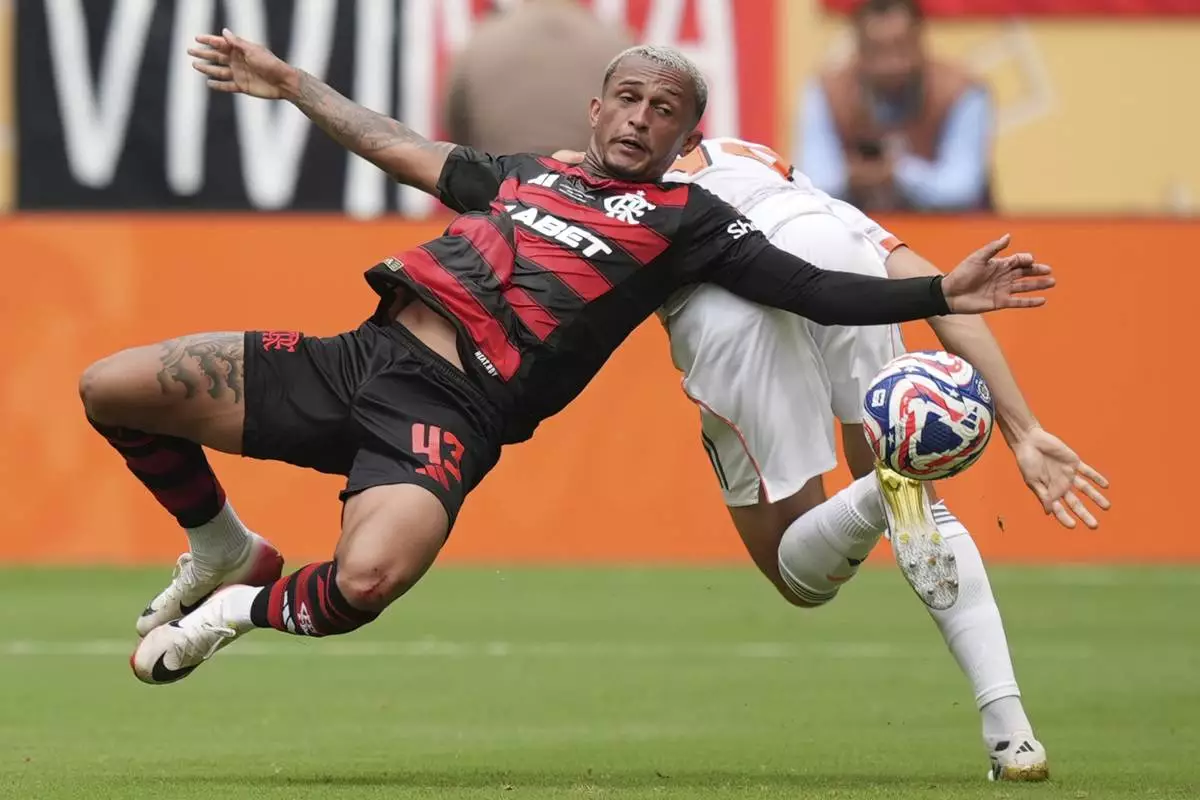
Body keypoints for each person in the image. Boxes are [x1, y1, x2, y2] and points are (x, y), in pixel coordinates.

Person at [84, 34, 1052, 693]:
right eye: (628, 99)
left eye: (664, 109)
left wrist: (937, 294)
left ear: (685, 136)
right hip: (359, 356)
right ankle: (221, 546)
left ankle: (239, 607)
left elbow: (813, 288)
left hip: (451, 414)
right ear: (597, 109)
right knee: (112, 388)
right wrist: (294, 85)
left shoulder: (691, 222)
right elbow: (403, 148)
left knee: (366, 582)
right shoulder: (527, 174)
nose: (640, 118)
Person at [552, 137, 1109, 781]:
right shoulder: (777, 173)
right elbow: (943, 295)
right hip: (829, 247)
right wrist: (1026, 430)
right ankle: (1012, 733)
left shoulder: (602, 185)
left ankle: (885, 488)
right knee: (914, 498)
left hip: (721, 300)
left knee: (800, 578)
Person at [797, 0, 994, 213]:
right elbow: (812, 185)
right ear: (858, 47)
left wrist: (899, 174)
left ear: (920, 40)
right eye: (876, 51)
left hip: (951, 234)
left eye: (901, 48)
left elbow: (961, 189)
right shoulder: (826, 92)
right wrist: (853, 178)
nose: (890, 64)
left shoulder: (962, 92)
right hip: (857, 234)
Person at [444, 0, 633, 155]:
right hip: (594, 194)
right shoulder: (618, 46)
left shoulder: (480, 43)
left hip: (499, 190)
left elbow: (458, 134)